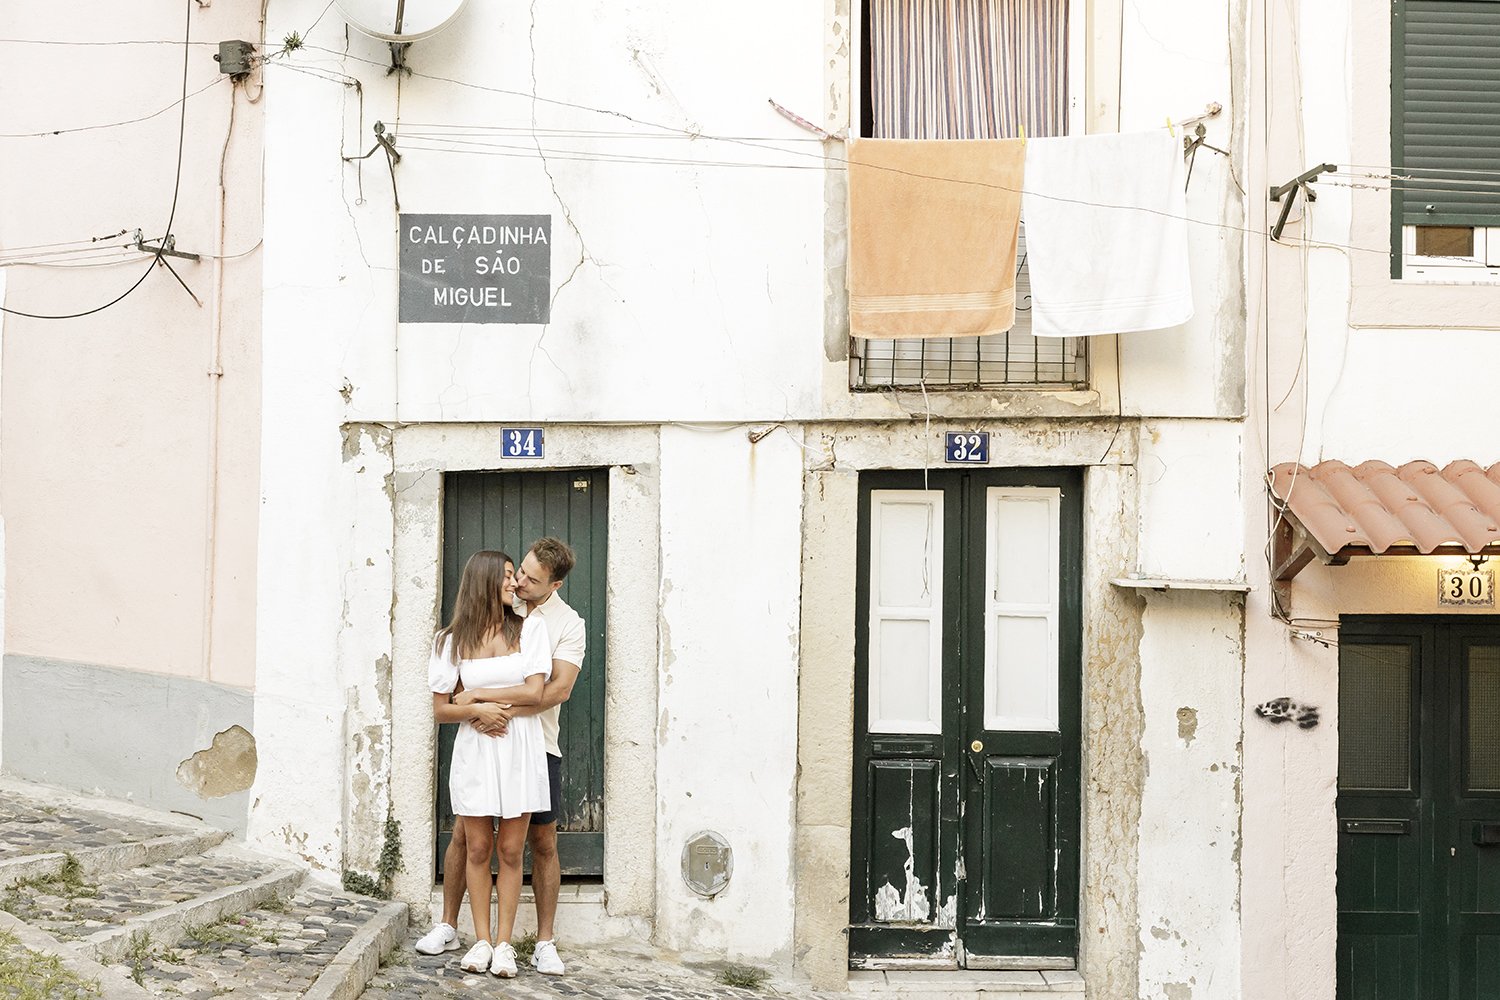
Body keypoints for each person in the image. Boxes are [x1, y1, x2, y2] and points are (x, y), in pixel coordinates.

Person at [415, 537, 585, 976]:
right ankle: (460, 931)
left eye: (527, 577)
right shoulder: (452, 639)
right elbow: (442, 705)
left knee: (526, 845)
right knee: (471, 843)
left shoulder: (552, 625)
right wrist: (475, 711)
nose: (520, 582)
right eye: (514, 574)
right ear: (487, 582)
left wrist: (481, 699)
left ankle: (533, 942)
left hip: (531, 742)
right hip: (479, 744)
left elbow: (551, 690)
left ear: (555, 584)